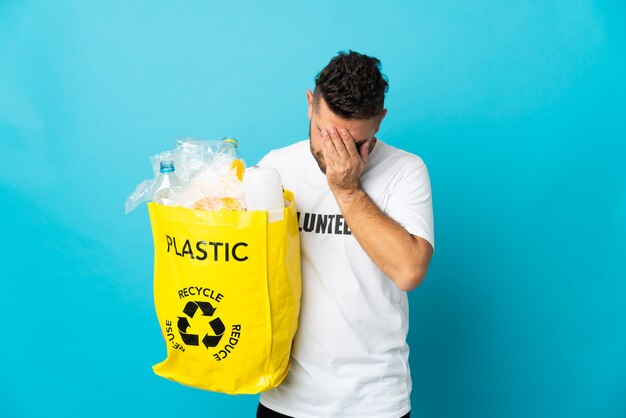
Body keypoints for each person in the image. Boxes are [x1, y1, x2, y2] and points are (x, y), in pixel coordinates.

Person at [256, 50, 435, 418]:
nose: (338, 153)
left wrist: (347, 189)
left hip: (373, 403)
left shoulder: (405, 171)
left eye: (353, 144)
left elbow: (409, 271)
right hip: (285, 397)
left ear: (380, 121)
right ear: (310, 104)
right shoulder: (275, 167)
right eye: (326, 134)